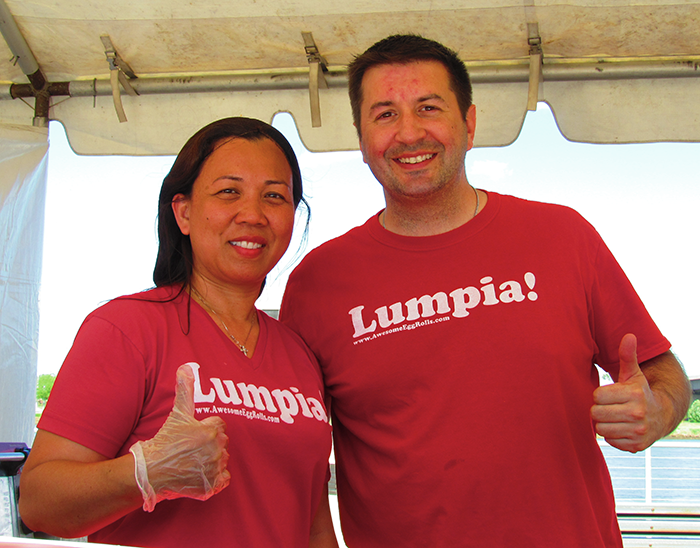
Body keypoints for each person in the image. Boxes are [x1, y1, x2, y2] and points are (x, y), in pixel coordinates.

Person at [279, 35, 692, 548]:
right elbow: (292, 451)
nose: (409, 133)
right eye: (385, 114)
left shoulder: (562, 237)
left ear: (469, 124)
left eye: (428, 108)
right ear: (362, 138)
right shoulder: (317, 282)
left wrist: (658, 410)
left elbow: (661, 370)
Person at [19, 117, 338, 548]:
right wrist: (144, 472)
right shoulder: (126, 328)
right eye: (229, 192)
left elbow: (314, 525)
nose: (253, 214)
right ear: (183, 212)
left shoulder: (299, 354)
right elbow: (38, 503)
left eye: (274, 196)